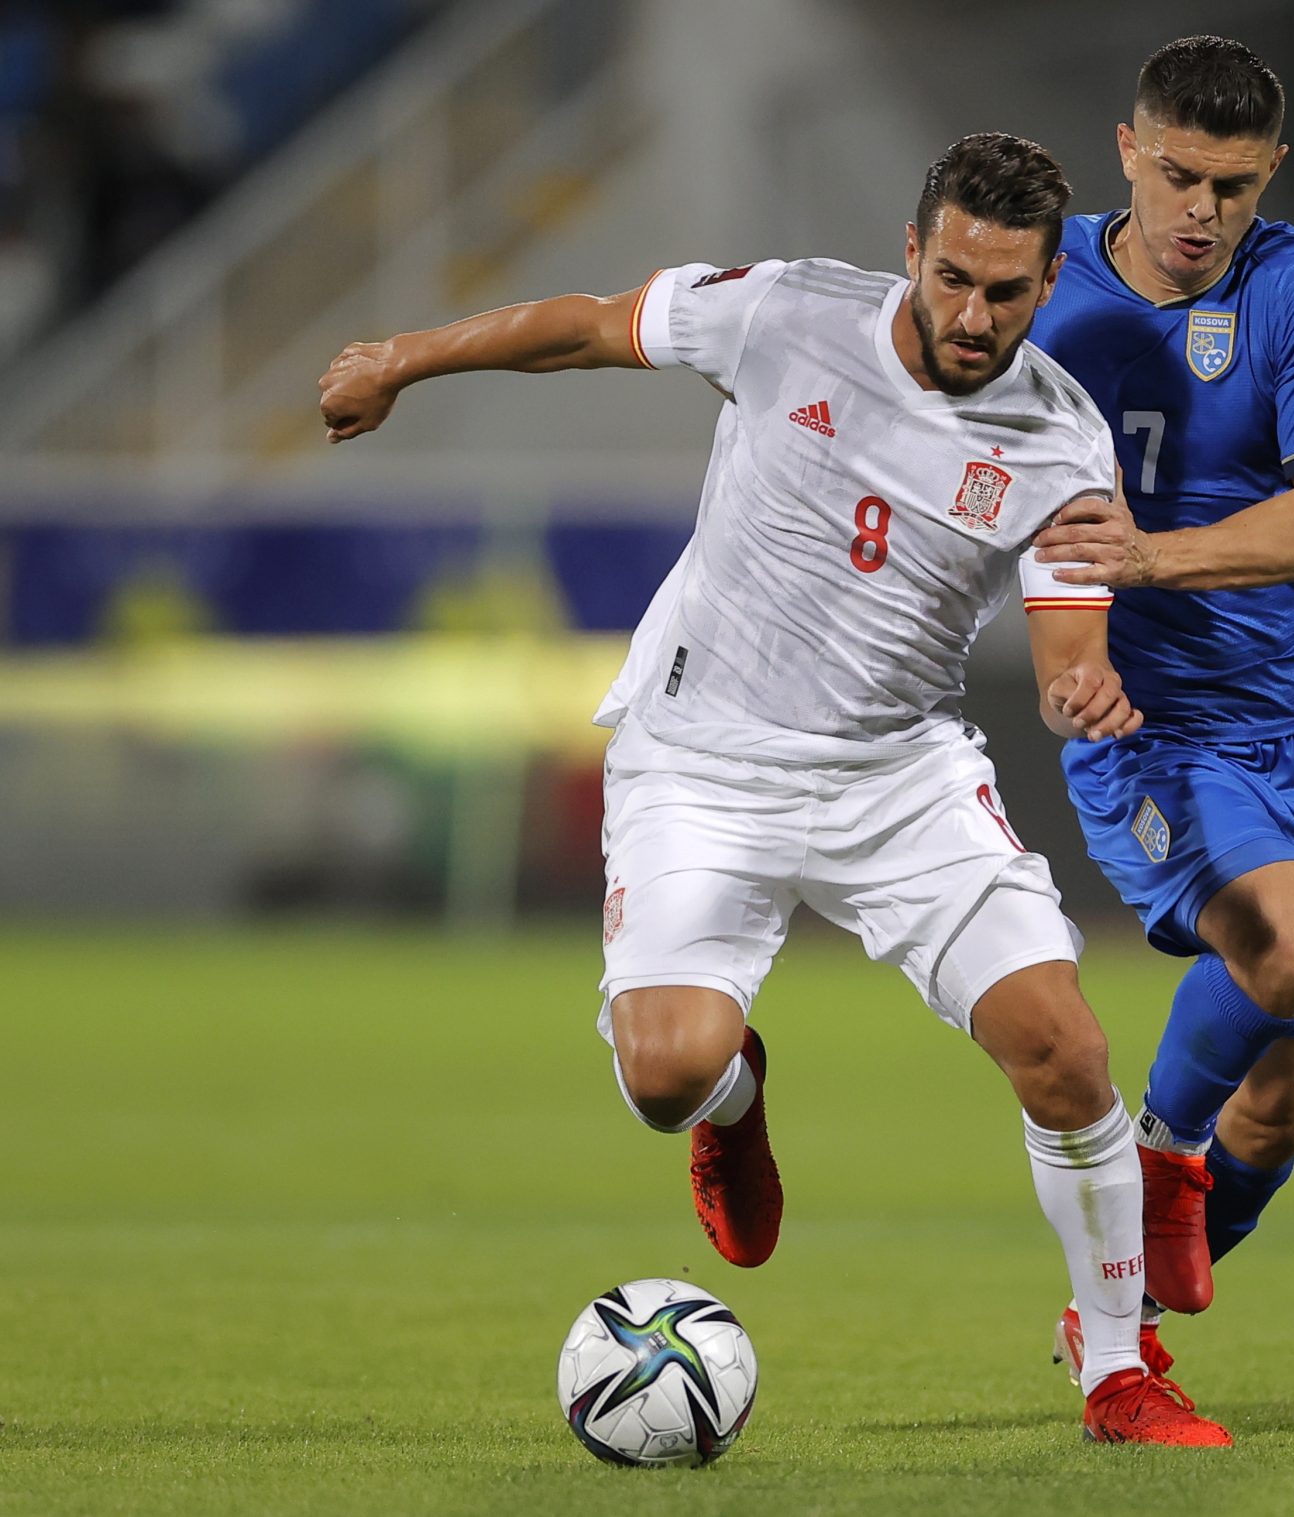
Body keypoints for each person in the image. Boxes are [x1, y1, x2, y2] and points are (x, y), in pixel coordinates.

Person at [316, 132, 1230, 1447]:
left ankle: (1117, 1365)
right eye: (953, 279)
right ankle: (730, 1100)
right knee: (663, 1075)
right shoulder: (786, 312)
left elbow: (1066, 648)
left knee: (1068, 1051)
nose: (975, 316)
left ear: (1047, 287)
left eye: (1007, 292)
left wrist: (1080, 689)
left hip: (897, 774)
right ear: (912, 252)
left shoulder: (1060, 439)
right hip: (702, 756)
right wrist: (402, 358)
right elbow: (588, 326)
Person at [1023, 38, 1294, 1383]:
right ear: (1127, 150)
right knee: (1289, 943)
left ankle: (1116, 1322)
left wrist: (1153, 556)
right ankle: (1162, 1157)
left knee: (1288, 1099)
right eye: (1178, 175)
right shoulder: (1041, 287)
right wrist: (1067, 657)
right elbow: (970, 468)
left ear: (1270, 172)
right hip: (1154, 729)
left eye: (1232, 186)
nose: (1201, 211)